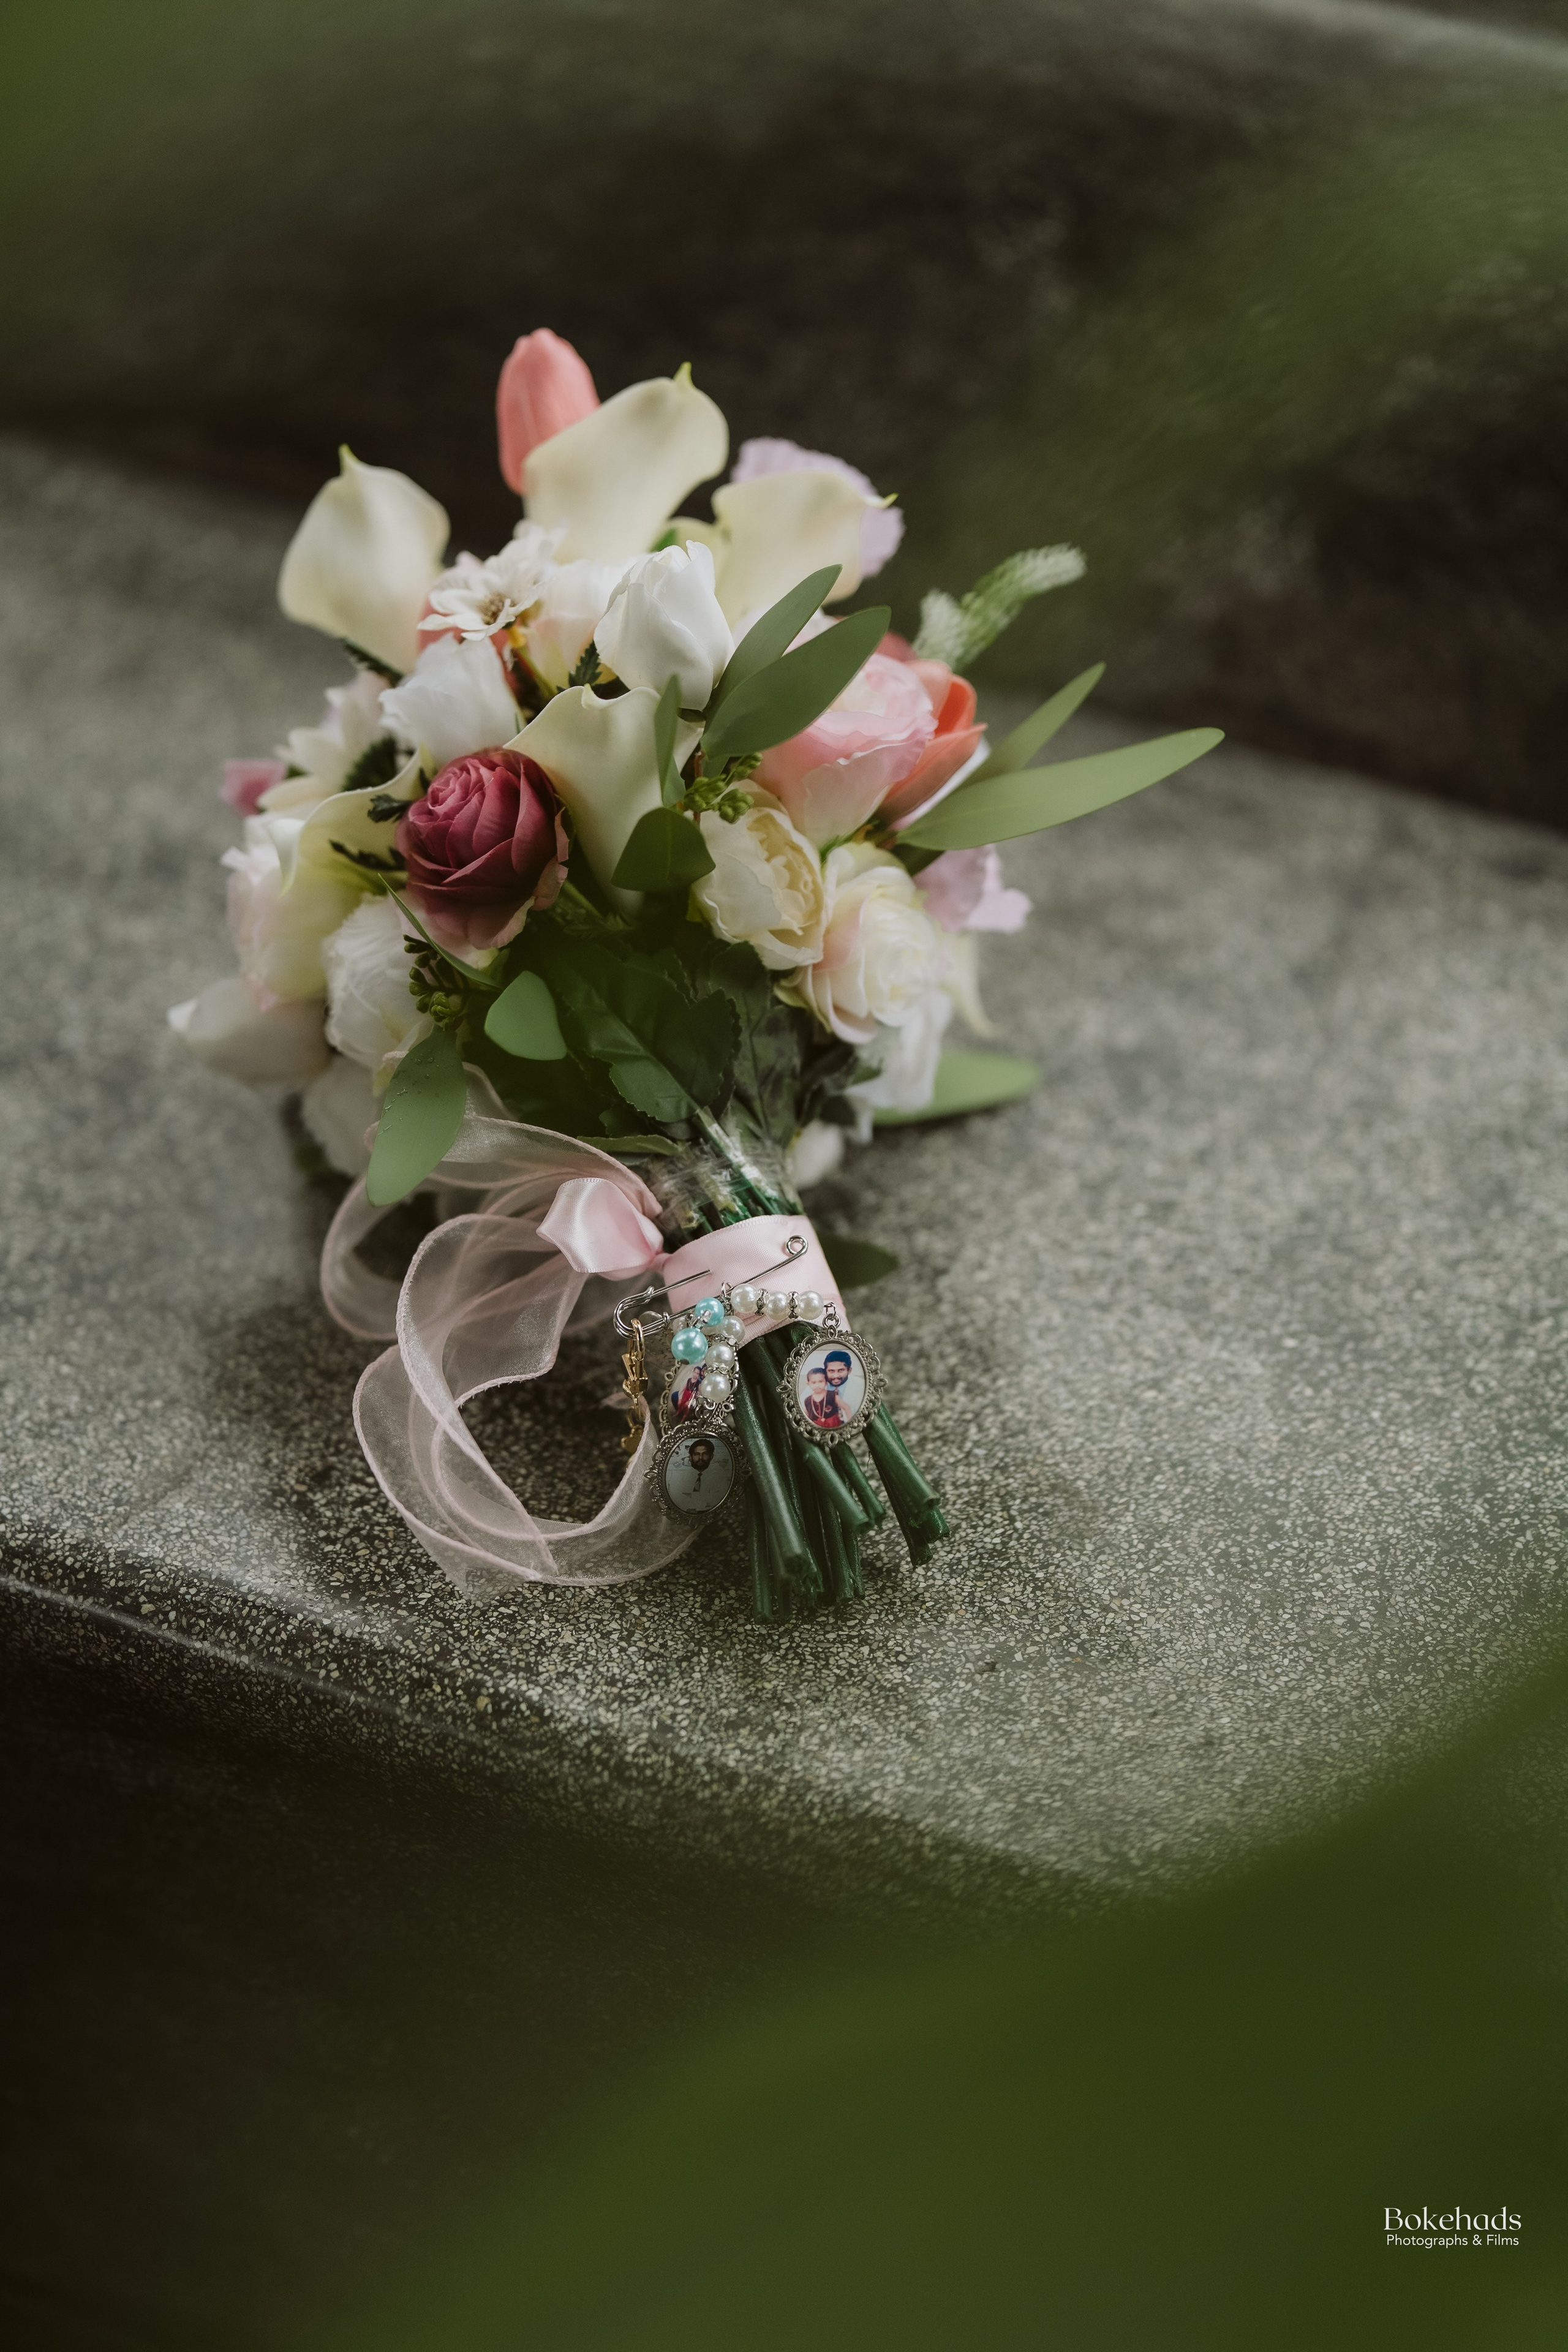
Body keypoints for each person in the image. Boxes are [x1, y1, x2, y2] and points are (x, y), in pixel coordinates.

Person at [802, 1364, 843, 1430]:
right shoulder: (807, 1400)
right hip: (817, 1429)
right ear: (808, 1384)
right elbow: (806, 1416)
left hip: (834, 1425)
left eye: (821, 1382)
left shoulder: (832, 1395)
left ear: (826, 1382)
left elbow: (846, 1408)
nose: (817, 1385)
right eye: (814, 1383)